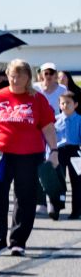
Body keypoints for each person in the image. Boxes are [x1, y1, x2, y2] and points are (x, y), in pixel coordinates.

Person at [0, 56, 58, 257]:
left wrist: (54, 151)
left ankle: (18, 241)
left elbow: (48, 128)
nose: (15, 80)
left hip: (29, 155)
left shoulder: (37, 99)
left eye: (20, 76)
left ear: (28, 78)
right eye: (12, 76)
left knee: (25, 198)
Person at [53, 90, 81, 219]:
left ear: (75, 105)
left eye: (68, 103)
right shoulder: (56, 120)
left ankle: (76, 211)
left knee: (77, 181)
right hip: (60, 151)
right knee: (59, 180)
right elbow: (51, 137)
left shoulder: (79, 119)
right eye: (62, 103)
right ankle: (57, 207)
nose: (65, 106)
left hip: (75, 151)